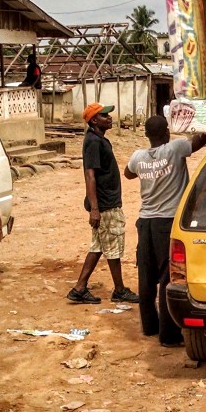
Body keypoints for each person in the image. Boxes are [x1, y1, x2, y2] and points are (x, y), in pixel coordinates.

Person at [124, 116, 206, 347]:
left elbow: (128, 173)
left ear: (147, 135)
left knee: (146, 275)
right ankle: (169, 334)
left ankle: (149, 326)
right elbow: (202, 139)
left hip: (145, 221)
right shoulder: (176, 148)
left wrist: (148, 171)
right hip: (168, 222)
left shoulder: (138, 157)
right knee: (167, 276)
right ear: (167, 132)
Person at [67, 103, 139, 305]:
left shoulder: (98, 140)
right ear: (94, 120)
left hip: (105, 202)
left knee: (98, 245)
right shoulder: (93, 142)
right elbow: (90, 175)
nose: (109, 118)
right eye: (104, 115)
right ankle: (119, 289)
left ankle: (80, 288)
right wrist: (95, 209)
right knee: (113, 246)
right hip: (106, 204)